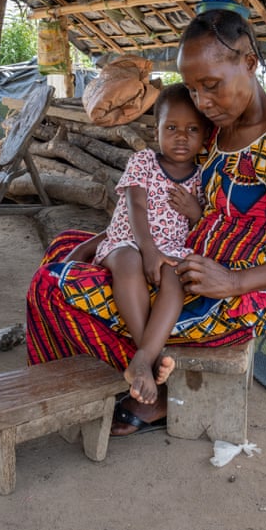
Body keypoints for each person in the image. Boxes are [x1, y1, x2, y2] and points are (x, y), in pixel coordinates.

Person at [26, 0, 266, 437]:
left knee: (53, 287)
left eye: (212, 84)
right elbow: (160, 195)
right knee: (66, 245)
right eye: (194, 87)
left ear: (250, 62)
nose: (203, 100)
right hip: (186, 263)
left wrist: (234, 281)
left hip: (227, 297)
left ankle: (147, 386)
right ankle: (126, 373)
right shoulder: (223, 128)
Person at [92, 83, 211, 405]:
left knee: (176, 277)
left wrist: (195, 211)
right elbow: (136, 207)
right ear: (156, 130)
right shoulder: (143, 161)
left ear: (205, 135)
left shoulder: (202, 177)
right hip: (129, 240)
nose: (181, 137)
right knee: (129, 263)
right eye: (171, 128)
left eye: (192, 129)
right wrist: (148, 250)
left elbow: (204, 222)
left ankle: (142, 359)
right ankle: (149, 358)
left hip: (172, 248)